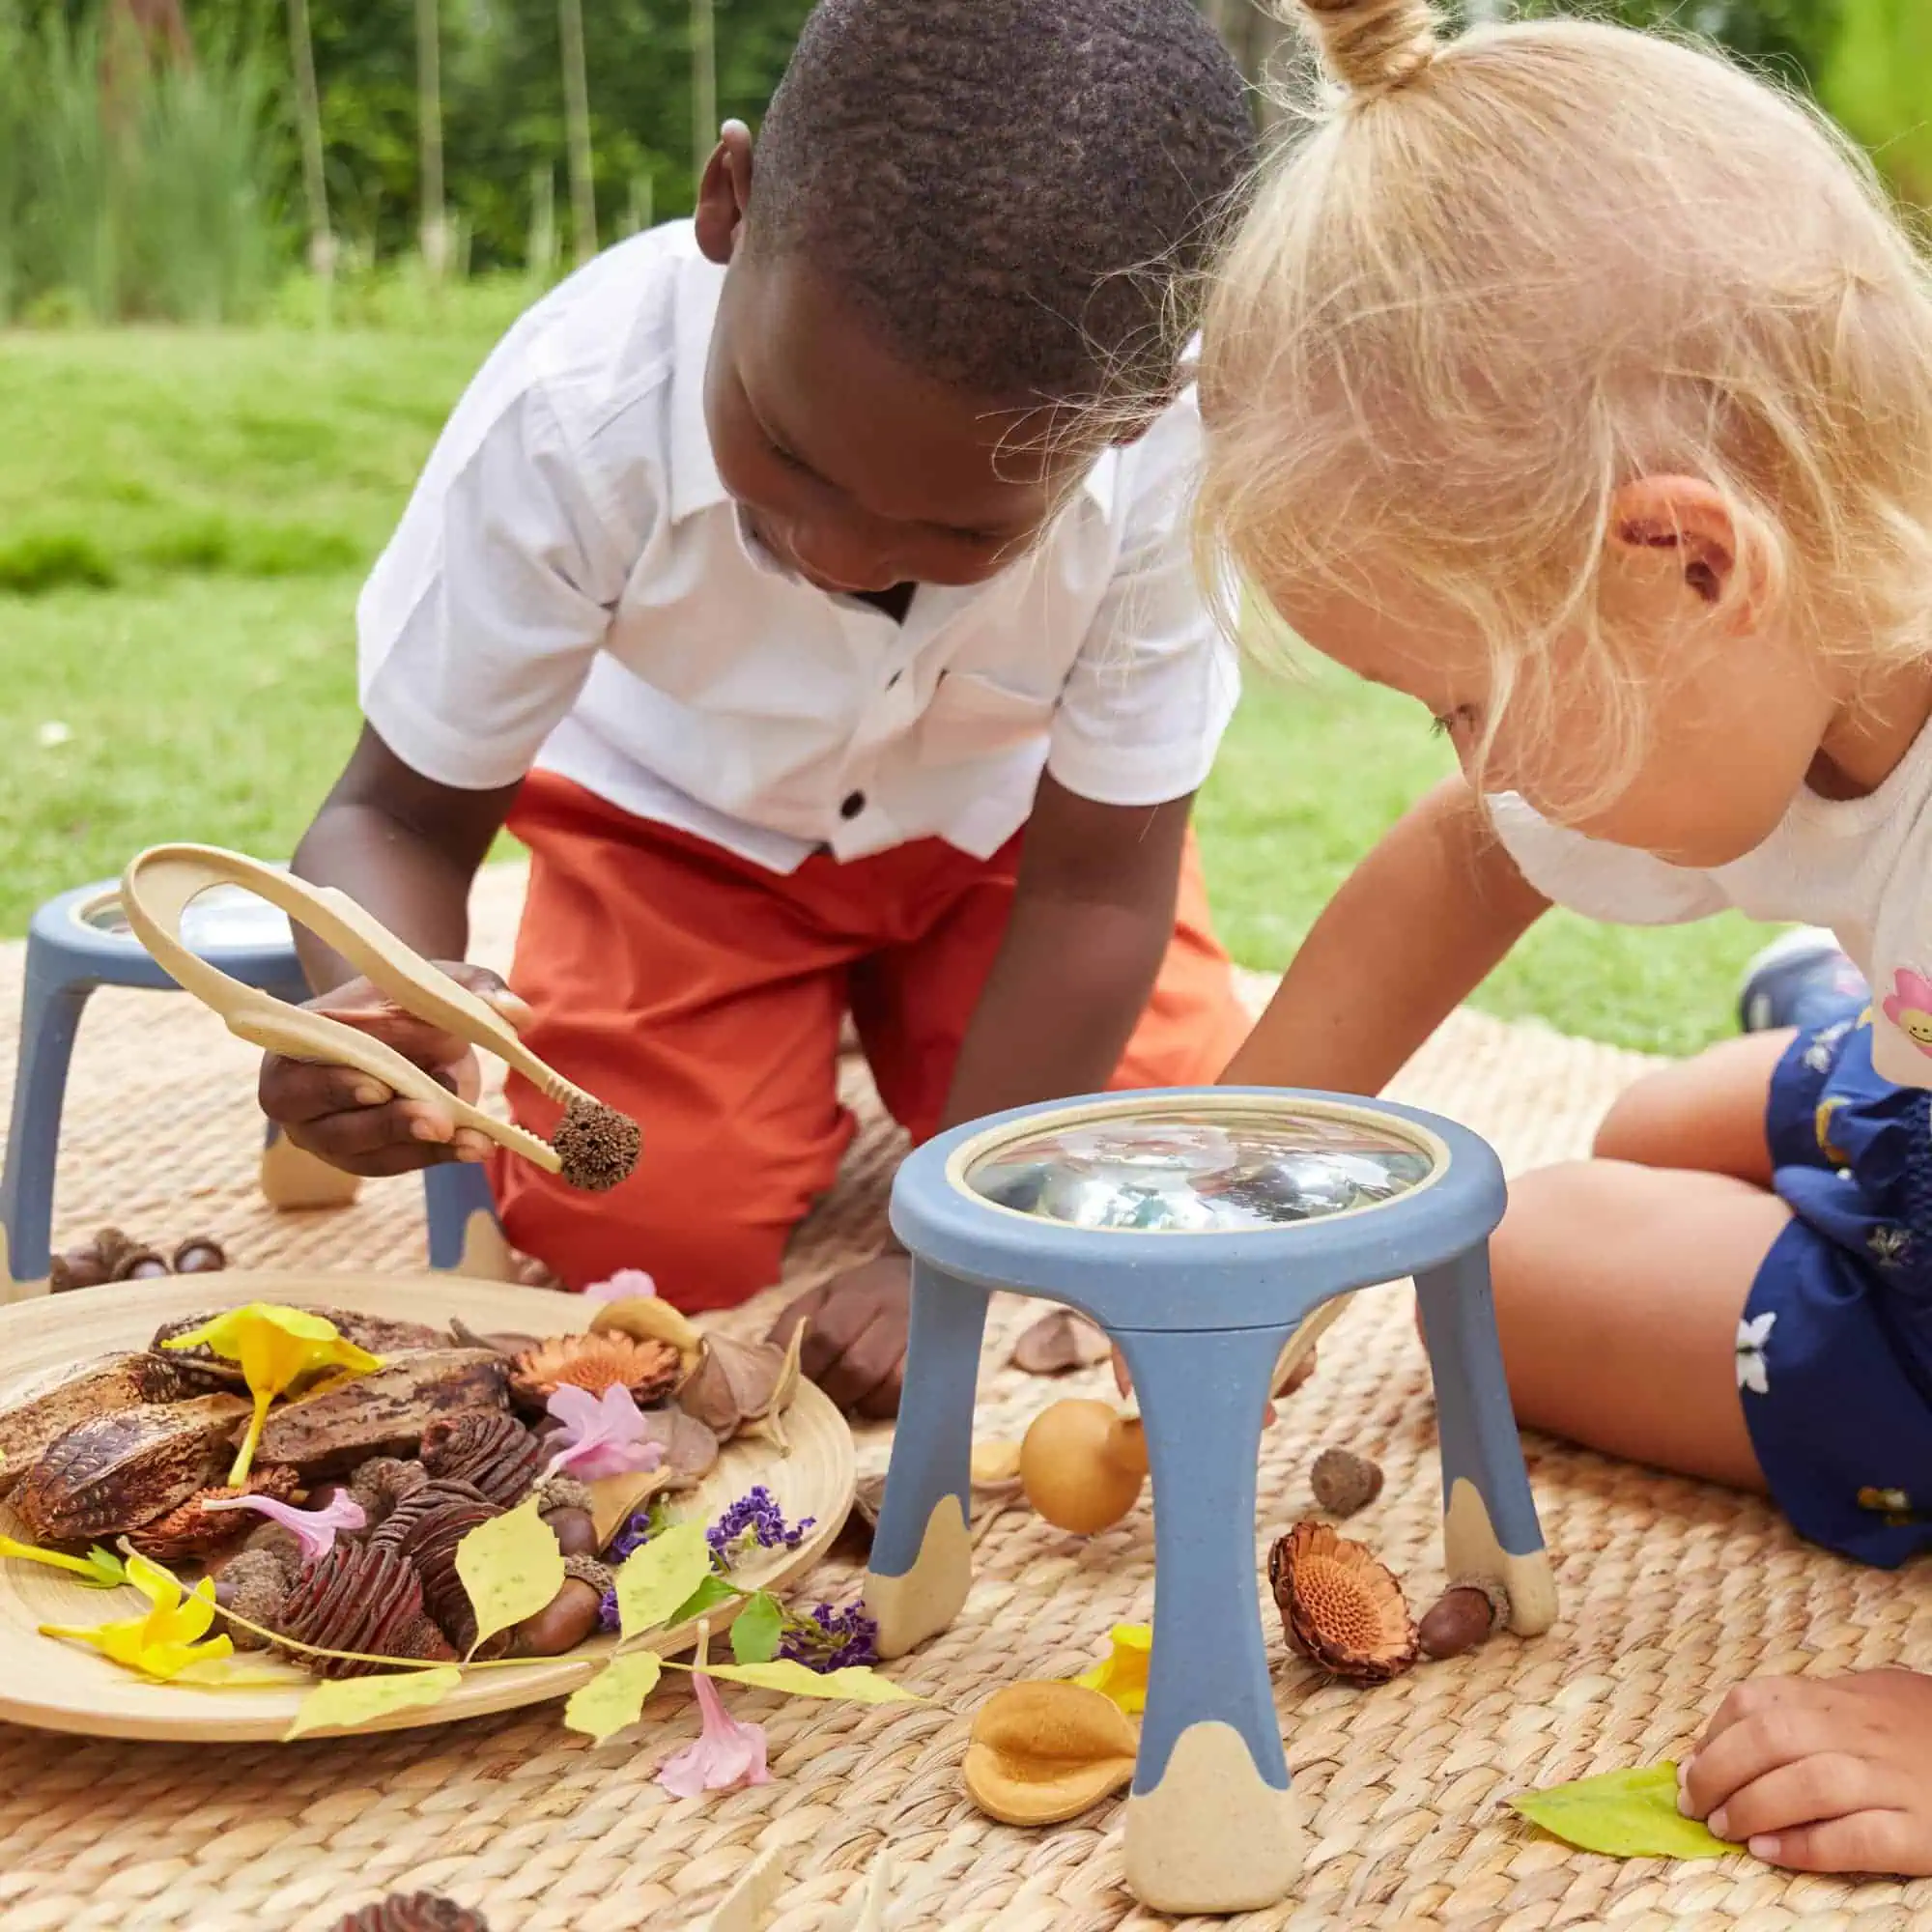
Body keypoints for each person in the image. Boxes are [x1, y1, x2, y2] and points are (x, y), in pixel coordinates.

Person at [256, 0, 1259, 1419]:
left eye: (964, 532)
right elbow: (391, 816)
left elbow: (1100, 890)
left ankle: (903, 1040)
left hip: (1012, 857)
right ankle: (789, 1042)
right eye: (786, 452)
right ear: (729, 205)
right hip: (684, 844)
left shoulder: (1175, 472)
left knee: (1157, 1196)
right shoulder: (576, 407)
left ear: (1138, 410)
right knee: (628, 1216)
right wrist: (386, 1026)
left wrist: (948, 1249)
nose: (839, 556)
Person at [1196, 0, 1932, 1879]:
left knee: (1508, 1258)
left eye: (1458, 699)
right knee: (1646, 1127)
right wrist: (1232, 1199)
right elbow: (1464, 864)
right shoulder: (1817, 622)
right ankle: (1845, 1037)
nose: (1465, 766)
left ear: (1691, 561)